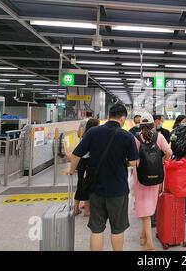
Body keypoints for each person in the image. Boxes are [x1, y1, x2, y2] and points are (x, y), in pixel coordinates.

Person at [67, 103, 139, 251]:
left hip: (96, 188)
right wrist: (121, 161)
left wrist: (71, 170)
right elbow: (133, 162)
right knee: (117, 229)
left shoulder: (93, 132)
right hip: (118, 190)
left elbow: (76, 154)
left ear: (109, 115)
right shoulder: (127, 136)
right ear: (122, 118)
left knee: (97, 229)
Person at [133, 113, 172, 251]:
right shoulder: (159, 137)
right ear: (152, 124)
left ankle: (150, 245)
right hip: (156, 176)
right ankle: (144, 236)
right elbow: (169, 152)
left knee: (144, 210)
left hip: (141, 177)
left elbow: (132, 158)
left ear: (140, 125)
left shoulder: (136, 138)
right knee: (149, 208)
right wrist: (161, 161)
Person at [67, 118, 100, 216]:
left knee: (80, 184)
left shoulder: (85, 135)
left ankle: (76, 208)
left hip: (81, 162)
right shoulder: (93, 136)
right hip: (88, 163)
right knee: (88, 185)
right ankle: (87, 210)